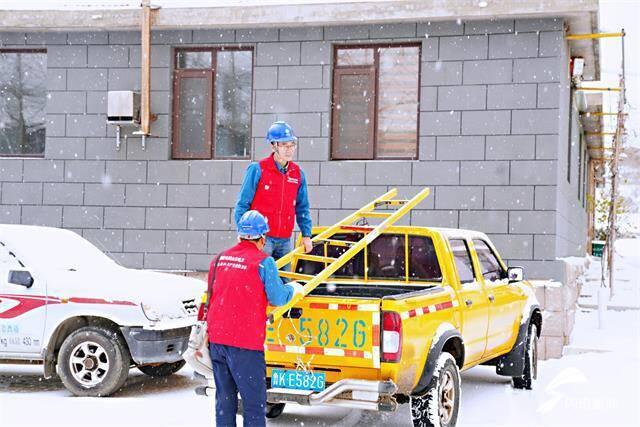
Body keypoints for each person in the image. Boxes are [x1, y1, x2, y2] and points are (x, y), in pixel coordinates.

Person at [206, 210, 304, 427]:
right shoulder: (263, 263)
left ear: (240, 236)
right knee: (253, 405)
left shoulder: (219, 259)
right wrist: (293, 290)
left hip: (218, 341)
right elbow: (278, 298)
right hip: (246, 346)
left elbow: (212, 295)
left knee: (225, 400)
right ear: (262, 238)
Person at [234, 121, 313, 262]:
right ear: (273, 145)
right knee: (259, 279)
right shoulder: (258, 169)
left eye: (292, 145)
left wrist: (307, 235)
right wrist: (243, 233)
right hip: (261, 239)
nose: (289, 149)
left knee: (284, 280)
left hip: (285, 240)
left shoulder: (297, 174)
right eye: (284, 145)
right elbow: (243, 204)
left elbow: (302, 208)